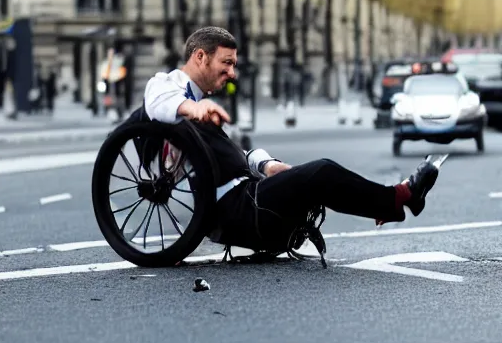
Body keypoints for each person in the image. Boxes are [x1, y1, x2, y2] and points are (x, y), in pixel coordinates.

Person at [141, 26, 443, 259]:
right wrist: (192, 109)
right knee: (321, 172)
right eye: (227, 63)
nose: (232, 73)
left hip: (245, 194)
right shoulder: (171, 89)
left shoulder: (196, 104)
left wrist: (266, 164)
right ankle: (397, 199)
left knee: (313, 177)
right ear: (200, 57)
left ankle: (390, 202)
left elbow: (231, 156)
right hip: (235, 208)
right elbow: (156, 100)